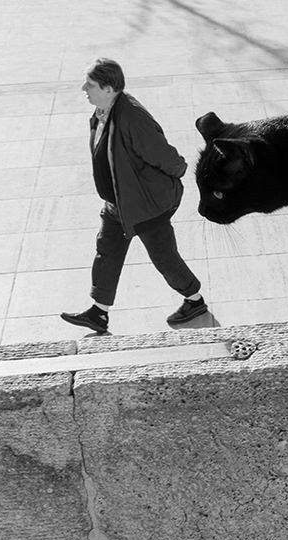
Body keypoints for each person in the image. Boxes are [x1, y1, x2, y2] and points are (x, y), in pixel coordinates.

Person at [62, 59, 209, 335]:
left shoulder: (131, 117)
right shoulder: (102, 111)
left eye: (90, 85)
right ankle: (99, 312)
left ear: (108, 88)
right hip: (118, 202)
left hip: (144, 205)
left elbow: (163, 154)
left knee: (164, 257)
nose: (84, 88)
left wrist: (179, 171)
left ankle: (194, 299)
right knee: (107, 251)